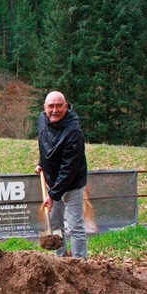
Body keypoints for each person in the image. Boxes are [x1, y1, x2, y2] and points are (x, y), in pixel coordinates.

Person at [36, 91, 88, 259]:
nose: (55, 110)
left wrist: (52, 195)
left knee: (75, 226)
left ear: (66, 106)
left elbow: (68, 169)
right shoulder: (42, 119)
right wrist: (41, 162)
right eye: (51, 106)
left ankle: (81, 263)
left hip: (72, 183)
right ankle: (61, 260)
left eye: (59, 106)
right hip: (52, 182)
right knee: (56, 223)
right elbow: (43, 143)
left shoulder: (74, 133)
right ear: (45, 108)